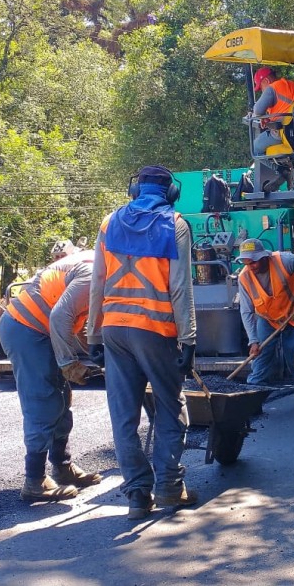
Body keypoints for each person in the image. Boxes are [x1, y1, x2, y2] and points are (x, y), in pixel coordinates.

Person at [87, 165, 198, 520]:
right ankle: (168, 486)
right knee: (170, 406)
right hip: (155, 330)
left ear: (135, 190)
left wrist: (93, 333)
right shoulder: (175, 224)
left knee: (124, 415)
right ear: (170, 192)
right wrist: (190, 339)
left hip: (115, 330)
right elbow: (180, 288)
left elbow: (97, 281)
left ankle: (137, 495)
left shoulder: (109, 223)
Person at [0, 249, 103, 502]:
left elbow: (73, 319)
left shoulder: (96, 262)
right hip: (27, 330)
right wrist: (69, 363)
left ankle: (62, 467)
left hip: (40, 330)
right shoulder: (92, 273)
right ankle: (34, 481)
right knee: (43, 401)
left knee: (62, 399)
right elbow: (59, 317)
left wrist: (91, 351)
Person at [236, 238, 294, 405]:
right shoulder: (244, 277)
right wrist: (253, 340)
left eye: (254, 262)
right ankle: (254, 396)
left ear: (263, 257)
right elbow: (246, 311)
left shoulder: (284, 261)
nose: (251, 266)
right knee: (260, 355)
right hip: (268, 319)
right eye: (247, 262)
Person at [250, 66, 294, 191]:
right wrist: (268, 117)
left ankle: (282, 170)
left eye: (260, 88)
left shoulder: (272, 89)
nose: (261, 91)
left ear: (266, 81)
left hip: (283, 133)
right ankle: (291, 171)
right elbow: (290, 109)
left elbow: (257, 110)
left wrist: (259, 116)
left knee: (255, 149)